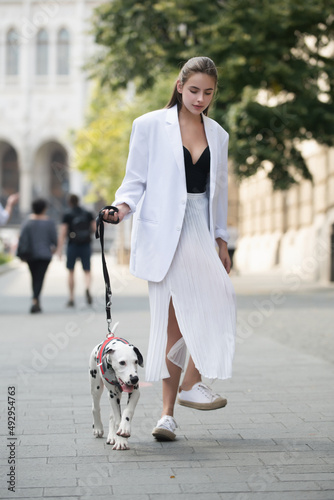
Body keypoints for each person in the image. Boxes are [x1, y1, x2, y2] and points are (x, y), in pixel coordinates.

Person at [103, 56, 236, 441]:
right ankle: (166, 416)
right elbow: (135, 181)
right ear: (180, 86)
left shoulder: (218, 134)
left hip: (200, 228)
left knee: (222, 300)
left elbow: (219, 191)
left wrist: (222, 239)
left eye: (208, 92)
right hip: (165, 235)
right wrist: (120, 209)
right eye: (194, 90)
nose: (200, 98)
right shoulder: (148, 126)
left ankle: (192, 382)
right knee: (171, 326)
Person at [17, 198, 57, 313]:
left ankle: (35, 298)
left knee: (34, 277)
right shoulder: (49, 222)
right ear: (44, 209)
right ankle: (35, 299)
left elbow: (22, 237)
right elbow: (54, 239)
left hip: (30, 255)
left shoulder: (27, 221)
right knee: (40, 278)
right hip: (45, 254)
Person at [57, 194, 95, 307]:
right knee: (87, 270)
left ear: (69, 202)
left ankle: (71, 297)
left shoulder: (67, 214)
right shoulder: (87, 213)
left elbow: (63, 232)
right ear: (79, 201)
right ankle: (87, 288)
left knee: (71, 271)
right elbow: (94, 228)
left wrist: (59, 249)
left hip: (72, 245)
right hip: (86, 245)